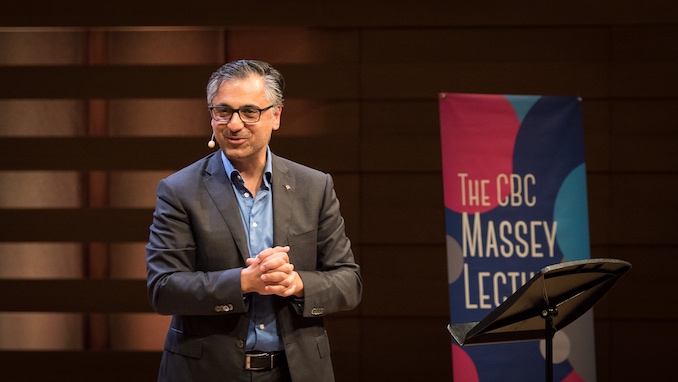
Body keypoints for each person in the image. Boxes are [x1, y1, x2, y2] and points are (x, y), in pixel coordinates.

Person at [146, 59, 362, 382]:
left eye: (249, 112)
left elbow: (349, 282)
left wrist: (297, 284)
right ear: (212, 115)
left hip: (296, 372)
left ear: (276, 115)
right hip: (205, 372)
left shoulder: (314, 187)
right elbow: (163, 289)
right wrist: (244, 282)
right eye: (223, 111)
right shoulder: (179, 191)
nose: (234, 124)